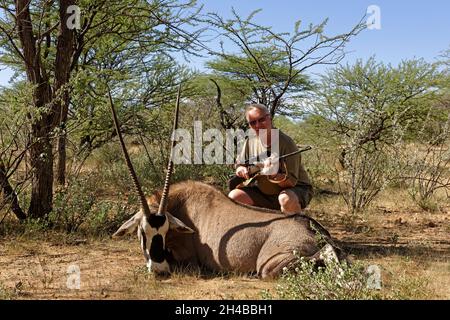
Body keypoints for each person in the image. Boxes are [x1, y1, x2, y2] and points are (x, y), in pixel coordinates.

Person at [228, 103, 313, 214]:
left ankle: (296, 227)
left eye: (261, 120)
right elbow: (240, 163)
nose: (257, 125)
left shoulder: (286, 143)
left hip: (294, 190)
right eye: (253, 122)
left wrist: (273, 175)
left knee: (285, 199)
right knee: (234, 196)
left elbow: (290, 183)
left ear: (269, 118)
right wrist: (240, 169)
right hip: (264, 192)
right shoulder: (250, 141)